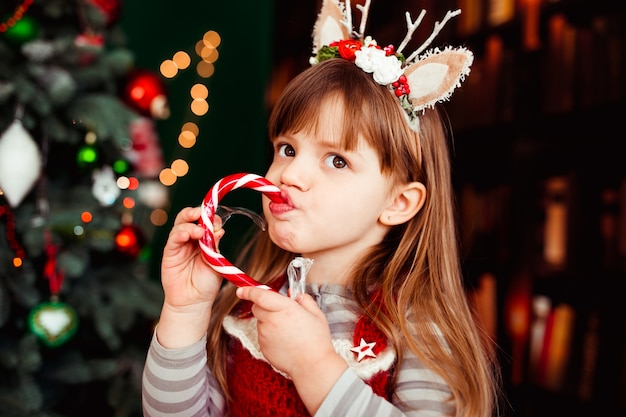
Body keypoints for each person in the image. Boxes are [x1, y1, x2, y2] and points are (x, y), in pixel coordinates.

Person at [142, 1, 500, 416]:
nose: (290, 174)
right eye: (287, 149)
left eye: (337, 160)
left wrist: (314, 365)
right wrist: (184, 311)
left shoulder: (415, 328)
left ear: (398, 203)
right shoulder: (243, 305)